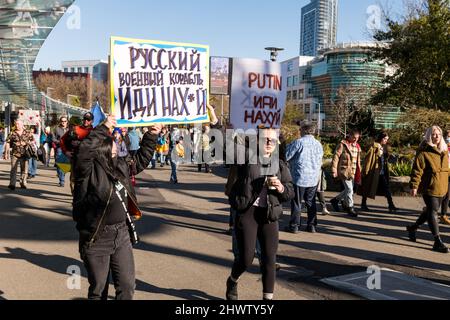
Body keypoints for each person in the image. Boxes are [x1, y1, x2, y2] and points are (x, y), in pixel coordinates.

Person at [73, 115, 161, 300]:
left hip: (121, 234)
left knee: (127, 287)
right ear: (102, 149)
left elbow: (137, 162)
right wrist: (103, 127)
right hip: (97, 238)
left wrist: (151, 136)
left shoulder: (119, 164)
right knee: (99, 290)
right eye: (113, 142)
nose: (117, 144)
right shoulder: (86, 171)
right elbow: (84, 150)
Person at [226, 128, 294, 300]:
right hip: (248, 212)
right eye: (265, 139)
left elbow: (290, 191)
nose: (269, 142)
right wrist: (220, 125)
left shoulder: (280, 164)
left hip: (269, 214)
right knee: (246, 259)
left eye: (273, 139)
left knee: (270, 260)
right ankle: (233, 280)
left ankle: (267, 300)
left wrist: (281, 187)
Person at [407, 126, 449, 254]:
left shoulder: (444, 150)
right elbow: (417, 170)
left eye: (438, 134)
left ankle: (413, 228)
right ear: (428, 135)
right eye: (433, 134)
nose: (436, 136)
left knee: (430, 211)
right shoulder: (423, 152)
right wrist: (414, 186)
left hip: (442, 186)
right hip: (429, 187)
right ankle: (437, 241)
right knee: (433, 213)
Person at [285, 122, 324, 233]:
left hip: (299, 176)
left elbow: (287, 155)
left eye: (300, 130)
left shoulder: (299, 142)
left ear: (304, 130)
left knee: (297, 202)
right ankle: (311, 225)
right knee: (311, 202)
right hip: (313, 177)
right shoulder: (318, 144)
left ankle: (295, 225)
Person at [359, 132, 397, 213]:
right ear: (381, 138)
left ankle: (391, 205)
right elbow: (368, 159)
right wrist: (365, 171)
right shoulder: (374, 147)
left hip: (382, 172)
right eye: (385, 139)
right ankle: (363, 204)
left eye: (387, 139)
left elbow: (385, 159)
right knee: (367, 187)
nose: (386, 140)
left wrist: (391, 157)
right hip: (373, 171)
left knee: (387, 189)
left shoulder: (384, 148)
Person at [330, 129, 362, 217]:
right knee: (349, 190)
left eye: (357, 138)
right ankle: (350, 208)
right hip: (344, 171)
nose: (356, 139)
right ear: (349, 136)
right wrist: (334, 170)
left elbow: (358, 161)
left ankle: (336, 200)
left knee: (349, 190)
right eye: (354, 138)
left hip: (354, 172)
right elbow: (336, 157)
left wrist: (360, 171)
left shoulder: (357, 147)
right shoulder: (343, 145)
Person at [61, 112, 95, 193]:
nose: (86, 121)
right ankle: (75, 196)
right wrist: (66, 152)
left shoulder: (94, 131)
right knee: (73, 178)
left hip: (89, 160)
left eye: (88, 120)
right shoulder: (75, 129)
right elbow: (62, 140)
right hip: (75, 158)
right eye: (85, 119)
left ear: (92, 121)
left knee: (88, 179)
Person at [4, 120, 34, 190]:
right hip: (15, 154)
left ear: (22, 124)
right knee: (13, 169)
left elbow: (32, 141)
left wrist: (26, 143)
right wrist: (6, 153)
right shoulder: (12, 133)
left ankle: (23, 182)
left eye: (18, 124)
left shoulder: (27, 132)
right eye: (16, 124)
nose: (16, 125)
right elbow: (8, 143)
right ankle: (12, 184)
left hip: (25, 154)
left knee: (24, 170)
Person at [53, 116, 69, 187]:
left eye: (65, 121)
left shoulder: (69, 129)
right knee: (59, 164)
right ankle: (62, 180)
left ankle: (62, 177)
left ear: (67, 122)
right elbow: (53, 139)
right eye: (62, 121)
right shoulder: (57, 129)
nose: (63, 122)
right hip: (60, 148)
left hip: (68, 148)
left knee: (66, 164)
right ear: (60, 121)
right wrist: (59, 142)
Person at [439, 131, 450, 225]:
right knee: (444, 194)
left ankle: (443, 215)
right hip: (444, 172)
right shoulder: (444, 144)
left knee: (446, 195)